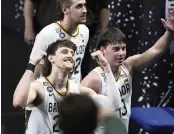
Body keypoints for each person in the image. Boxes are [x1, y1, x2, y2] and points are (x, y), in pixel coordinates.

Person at [81, 10, 174, 132]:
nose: (121, 53)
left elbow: (156, 50)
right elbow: (77, 114)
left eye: (123, 48)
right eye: (116, 49)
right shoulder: (94, 79)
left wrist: (170, 32)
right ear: (102, 50)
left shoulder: (128, 66)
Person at [13, 40, 122, 134]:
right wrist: (31, 64)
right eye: (64, 52)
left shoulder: (78, 90)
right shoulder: (39, 88)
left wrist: (106, 67)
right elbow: (18, 102)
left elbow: (114, 105)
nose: (70, 55)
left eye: (72, 53)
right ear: (51, 58)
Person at [25, 0, 90, 126]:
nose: (85, 10)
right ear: (65, 10)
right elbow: (34, 72)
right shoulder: (47, 34)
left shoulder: (84, 32)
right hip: (49, 100)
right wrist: (30, 107)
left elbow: (77, 67)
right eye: (79, 6)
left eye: (85, 5)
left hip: (72, 101)